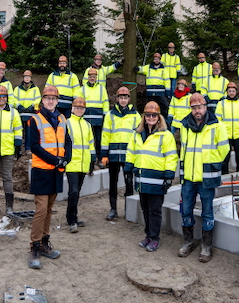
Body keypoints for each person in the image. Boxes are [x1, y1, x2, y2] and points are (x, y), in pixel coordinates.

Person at [178, 92, 229, 262]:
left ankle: (206, 247)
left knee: (207, 213)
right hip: (189, 178)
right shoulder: (185, 126)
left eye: (199, 107)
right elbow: (184, 151)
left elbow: (224, 150)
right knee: (186, 211)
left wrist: (211, 164)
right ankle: (188, 241)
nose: (197, 110)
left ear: (205, 107)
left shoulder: (217, 125)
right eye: (194, 108)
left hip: (207, 177)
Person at [28, 84, 72, 270]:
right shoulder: (34, 120)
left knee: (49, 209)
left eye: (54, 99)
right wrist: (56, 160)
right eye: (48, 98)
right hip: (42, 171)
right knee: (41, 209)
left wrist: (66, 159)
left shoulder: (62, 118)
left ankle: (45, 242)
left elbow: (68, 141)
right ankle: (35, 246)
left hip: (56, 171)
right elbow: (35, 146)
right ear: (42, 100)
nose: (51, 101)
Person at [124, 101, 178, 252]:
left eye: (154, 115)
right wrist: (128, 167)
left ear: (159, 117)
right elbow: (131, 152)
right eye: (148, 115)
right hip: (142, 178)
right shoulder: (137, 134)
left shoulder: (166, 135)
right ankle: (148, 235)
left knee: (155, 210)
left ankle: (155, 238)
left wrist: (169, 175)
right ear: (144, 117)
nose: (151, 117)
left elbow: (171, 157)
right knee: (145, 209)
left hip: (157, 179)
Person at [101, 86, 141, 220]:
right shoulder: (110, 115)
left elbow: (139, 136)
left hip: (128, 156)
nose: (123, 100)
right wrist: (104, 155)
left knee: (129, 183)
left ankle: (128, 210)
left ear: (129, 99)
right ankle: (113, 209)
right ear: (117, 99)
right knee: (113, 183)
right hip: (113, 155)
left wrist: (137, 155)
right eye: (121, 97)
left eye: (125, 97)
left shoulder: (135, 115)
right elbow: (105, 135)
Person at [0, 84, 23, 216]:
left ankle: (9, 207)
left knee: (7, 177)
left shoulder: (13, 112)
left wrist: (18, 145)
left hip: (8, 149)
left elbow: (18, 129)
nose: (2, 98)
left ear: (7, 98)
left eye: (4, 96)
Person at [66, 96, 95, 232]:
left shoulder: (87, 125)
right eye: (77, 107)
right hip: (72, 163)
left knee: (76, 192)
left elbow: (91, 144)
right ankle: (72, 220)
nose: (79, 110)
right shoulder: (67, 123)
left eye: (81, 108)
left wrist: (92, 160)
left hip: (83, 163)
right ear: (73, 109)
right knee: (74, 191)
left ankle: (71, 216)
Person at [215, 81, 239, 173]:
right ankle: (224, 177)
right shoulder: (221, 104)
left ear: (236, 92)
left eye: (233, 91)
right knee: (224, 159)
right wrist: (217, 135)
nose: (231, 93)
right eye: (229, 91)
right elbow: (217, 121)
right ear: (227, 92)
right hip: (225, 136)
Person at [80, 67, 109, 167]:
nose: (92, 78)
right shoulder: (82, 89)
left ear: (96, 77)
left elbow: (105, 102)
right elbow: (80, 103)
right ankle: (89, 159)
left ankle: (100, 159)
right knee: (88, 140)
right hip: (86, 119)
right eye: (90, 76)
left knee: (99, 139)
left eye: (94, 76)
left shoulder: (101, 89)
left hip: (98, 119)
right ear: (87, 77)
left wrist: (105, 115)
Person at [136, 52, 170, 117]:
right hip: (150, 92)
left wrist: (167, 91)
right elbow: (141, 69)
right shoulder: (148, 67)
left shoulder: (164, 69)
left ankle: (164, 119)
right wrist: (137, 68)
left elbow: (167, 81)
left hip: (160, 92)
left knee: (164, 106)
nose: (156, 60)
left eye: (158, 59)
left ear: (160, 60)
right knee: (149, 106)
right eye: (155, 59)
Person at [14, 70, 41, 150]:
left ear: (31, 78)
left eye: (28, 77)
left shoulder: (35, 89)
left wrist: (32, 106)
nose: (27, 78)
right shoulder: (17, 89)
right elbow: (14, 99)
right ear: (23, 78)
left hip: (31, 114)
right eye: (25, 77)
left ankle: (28, 148)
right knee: (18, 131)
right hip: (20, 113)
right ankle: (18, 148)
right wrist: (19, 106)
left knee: (29, 132)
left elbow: (38, 99)